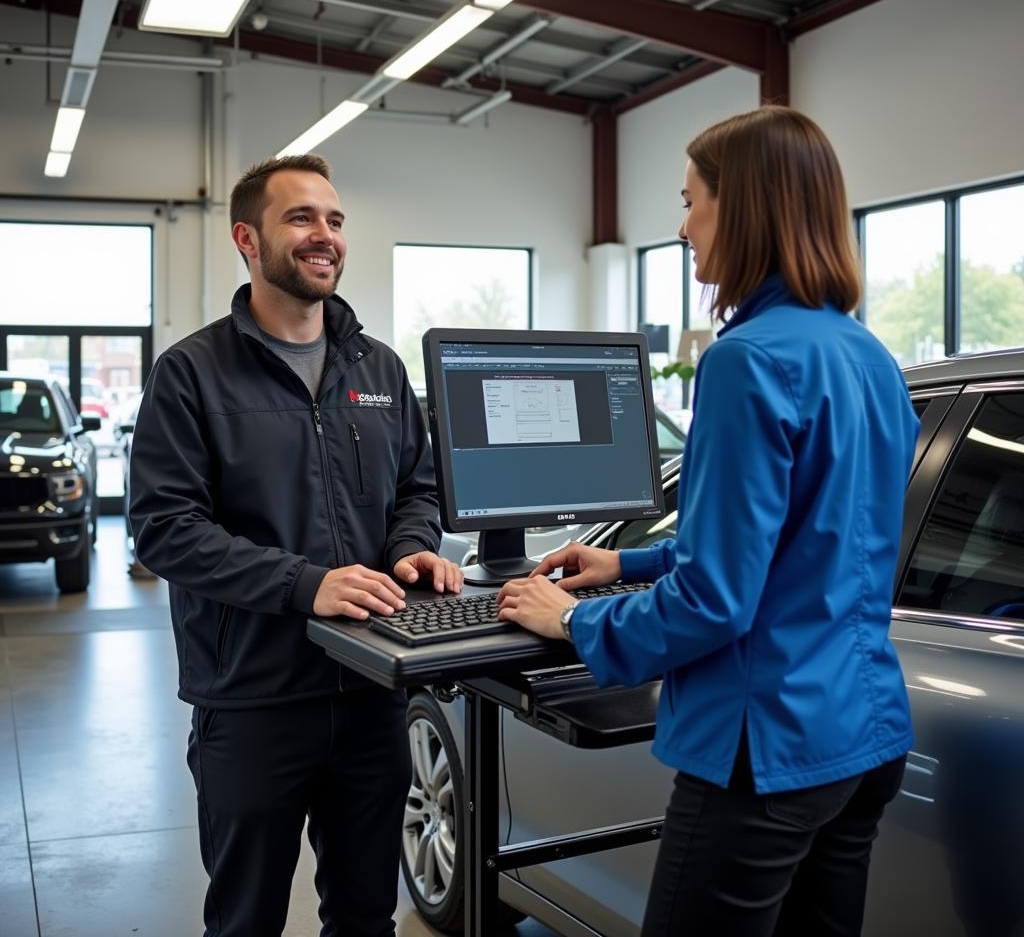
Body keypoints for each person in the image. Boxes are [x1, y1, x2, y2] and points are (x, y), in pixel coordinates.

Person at [498, 106, 917, 937]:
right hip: (863, 732)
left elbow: (718, 602)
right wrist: (628, 567)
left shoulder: (747, 360)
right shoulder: (867, 355)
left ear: (745, 207)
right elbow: (813, 545)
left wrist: (578, 621)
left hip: (765, 751)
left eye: (691, 201)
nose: (682, 227)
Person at [129, 153, 463, 937]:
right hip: (253, 699)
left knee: (365, 915)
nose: (326, 236)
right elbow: (166, 528)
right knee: (245, 920)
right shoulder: (192, 375)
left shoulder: (377, 367)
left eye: (336, 219)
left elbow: (417, 486)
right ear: (248, 238)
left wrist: (413, 547)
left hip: (374, 688)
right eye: (302, 218)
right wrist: (303, 583)